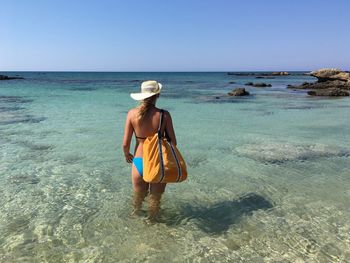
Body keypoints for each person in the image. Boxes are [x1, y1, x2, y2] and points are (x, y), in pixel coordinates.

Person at [122, 80, 177, 220]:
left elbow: (125, 144)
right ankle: (152, 224)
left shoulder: (132, 114)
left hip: (139, 161)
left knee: (138, 200)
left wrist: (127, 154)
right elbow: (174, 143)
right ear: (157, 95)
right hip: (158, 162)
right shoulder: (164, 115)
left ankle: (135, 221)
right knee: (155, 200)